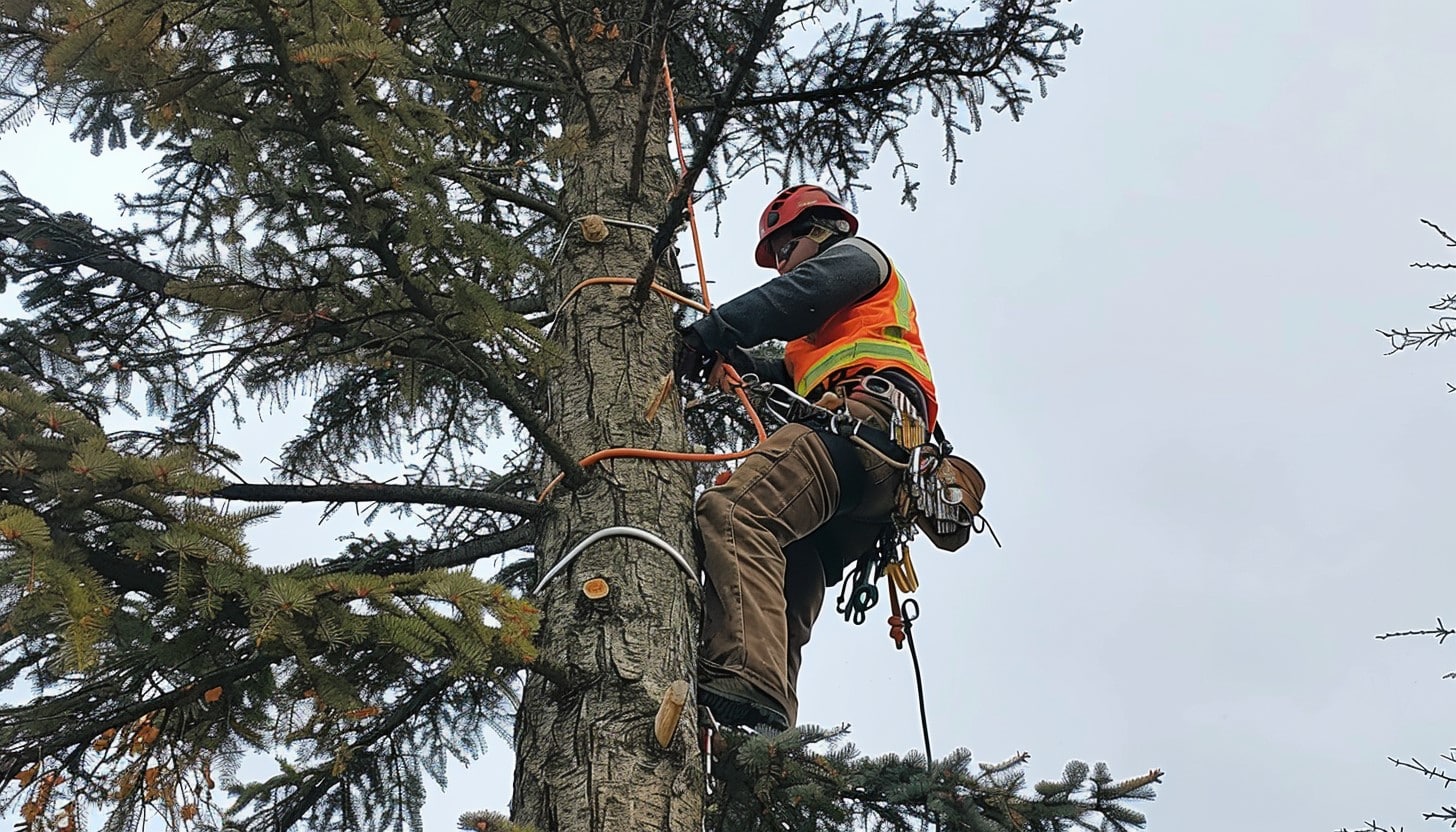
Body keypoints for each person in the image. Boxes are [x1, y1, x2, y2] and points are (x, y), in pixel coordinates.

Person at [675, 184, 939, 730]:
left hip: (865, 427)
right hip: (872, 480)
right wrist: (733, 361)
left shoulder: (860, 261)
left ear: (816, 232)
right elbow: (782, 369)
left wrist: (706, 334)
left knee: (735, 512)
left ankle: (748, 680)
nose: (780, 270)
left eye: (784, 253)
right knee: (794, 565)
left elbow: (798, 295)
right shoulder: (818, 338)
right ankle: (768, 725)